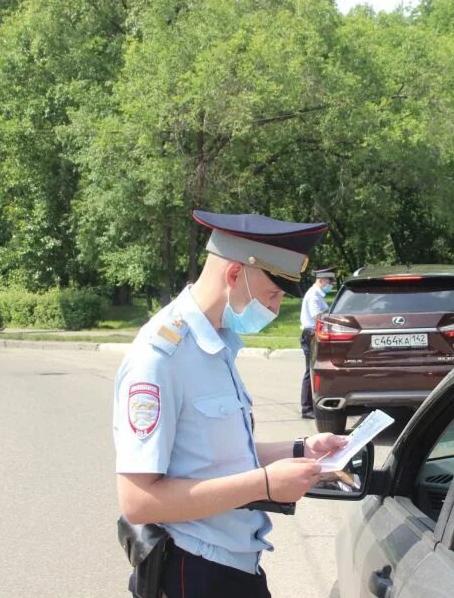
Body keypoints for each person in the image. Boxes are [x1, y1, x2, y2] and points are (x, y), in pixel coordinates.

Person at [113, 210, 348, 598]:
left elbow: (211, 456)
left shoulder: (216, 344)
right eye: (272, 295)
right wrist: (266, 484)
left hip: (235, 564)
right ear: (234, 274)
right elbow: (138, 500)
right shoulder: (160, 358)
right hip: (194, 570)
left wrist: (302, 450)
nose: (274, 311)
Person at [299, 267, 335, 419]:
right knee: (310, 371)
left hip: (313, 334)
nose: (330, 284)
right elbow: (318, 316)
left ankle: (311, 405)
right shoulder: (314, 295)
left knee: (314, 370)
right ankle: (306, 408)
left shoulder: (318, 294)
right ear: (320, 280)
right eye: (328, 281)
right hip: (310, 335)